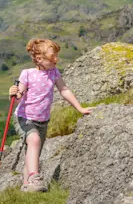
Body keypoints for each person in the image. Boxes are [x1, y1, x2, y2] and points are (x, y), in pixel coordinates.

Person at [8, 38, 92, 192]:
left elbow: (64, 90)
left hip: (43, 121)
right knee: (33, 140)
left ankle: (27, 187)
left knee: (32, 153)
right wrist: (13, 93)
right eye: (52, 56)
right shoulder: (27, 74)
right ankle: (35, 178)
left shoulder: (54, 73)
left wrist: (80, 109)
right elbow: (18, 96)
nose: (56, 59)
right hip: (24, 118)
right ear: (39, 59)